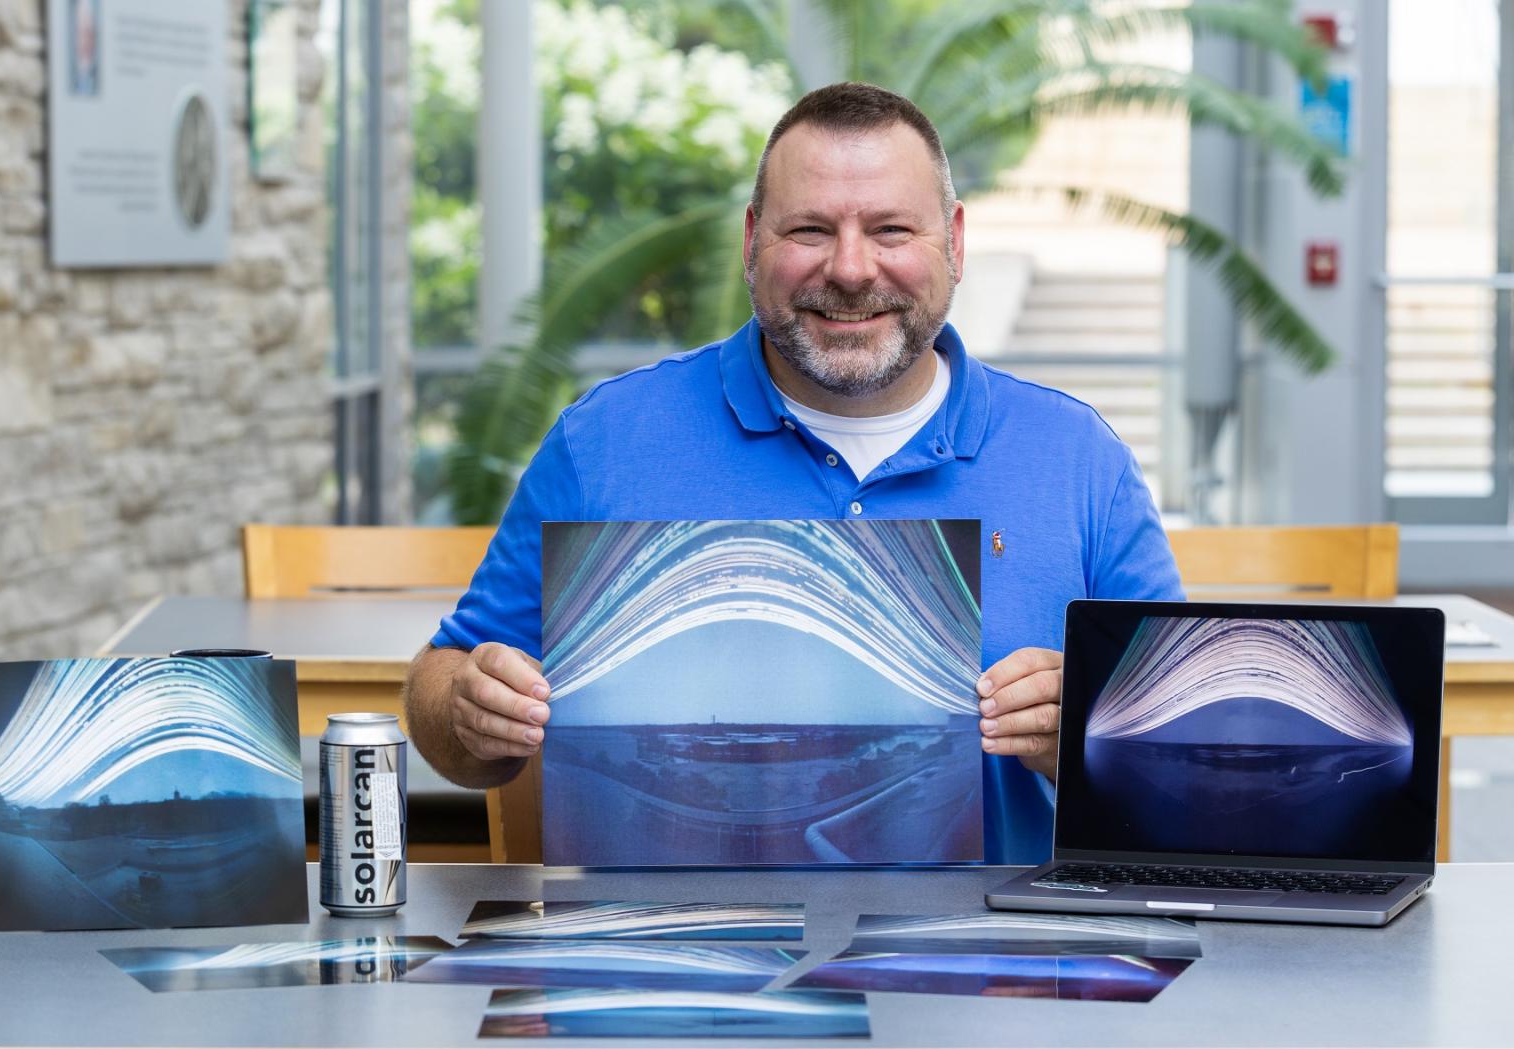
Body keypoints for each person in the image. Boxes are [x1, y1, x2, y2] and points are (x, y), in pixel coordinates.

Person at [404, 82, 1183, 863]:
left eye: (891, 229)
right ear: (751, 243)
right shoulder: (601, 443)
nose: (850, 269)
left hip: (994, 972)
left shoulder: (1080, 460)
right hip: (675, 967)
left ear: (953, 240)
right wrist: (471, 712)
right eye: (810, 229)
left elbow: (1185, 770)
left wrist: (1084, 741)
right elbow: (439, 688)